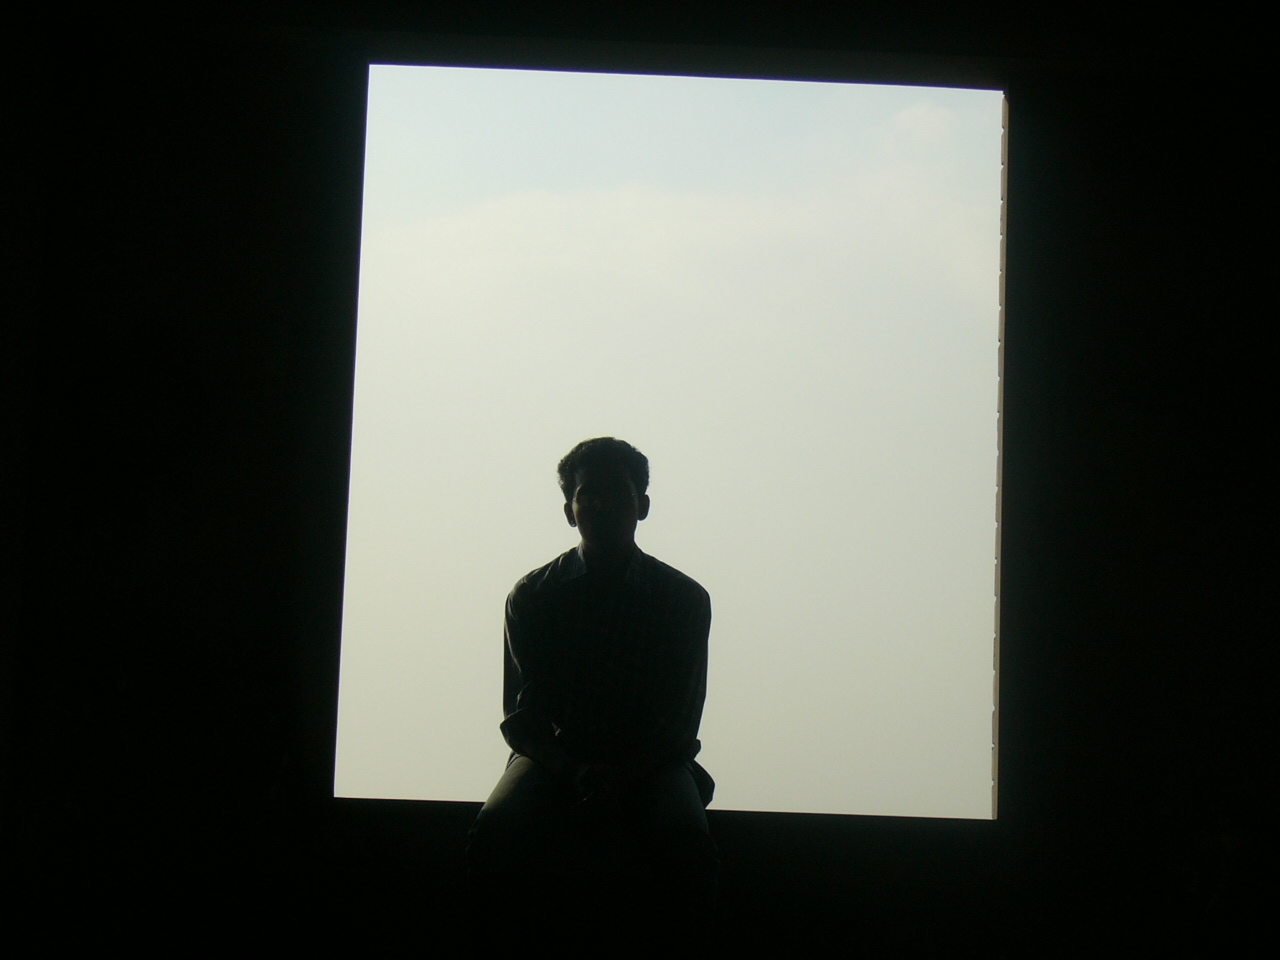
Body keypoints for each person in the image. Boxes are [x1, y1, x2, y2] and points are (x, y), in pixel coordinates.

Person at [466, 437, 718, 931]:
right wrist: (574, 771)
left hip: (653, 763)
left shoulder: (682, 599)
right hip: (552, 759)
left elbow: (679, 720)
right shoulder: (533, 596)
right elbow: (523, 718)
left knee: (686, 838)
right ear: (570, 511)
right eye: (589, 495)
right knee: (497, 829)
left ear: (642, 505)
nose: (602, 505)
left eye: (617, 493)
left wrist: (621, 777)